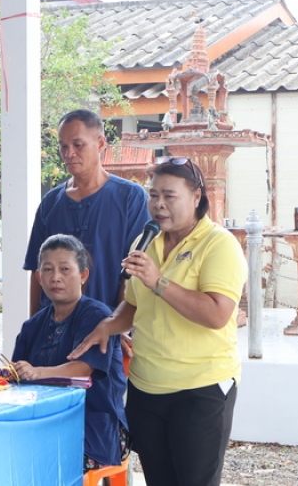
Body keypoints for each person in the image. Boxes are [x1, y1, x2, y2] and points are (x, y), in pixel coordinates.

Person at [69, 156, 248, 486]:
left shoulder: (219, 244)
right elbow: (135, 304)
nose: (159, 205)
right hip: (146, 388)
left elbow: (217, 314)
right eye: (153, 195)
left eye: (169, 196)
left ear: (196, 196)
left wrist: (159, 282)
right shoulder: (147, 241)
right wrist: (108, 325)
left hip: (200, 389)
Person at [23, 109, 150, 353]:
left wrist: (118, 325)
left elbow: (133, 270)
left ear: (101, 143)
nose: (69, 153)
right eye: (63, 146)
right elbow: (37, 272)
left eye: (78, 144)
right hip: (54, 334)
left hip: (108, 334)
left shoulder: (130, 198)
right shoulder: (50, 203)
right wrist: (33, 328)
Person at [12, 234, 128, 473]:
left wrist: (36, 372)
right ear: (39, 277)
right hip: (43, 422)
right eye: (48, 269)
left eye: (65, 269)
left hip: (92, 429)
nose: (56, 277)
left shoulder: (97, 317)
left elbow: (83, 369)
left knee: (42, 464)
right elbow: (16, 375)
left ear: (83, 275)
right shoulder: (32, 326)